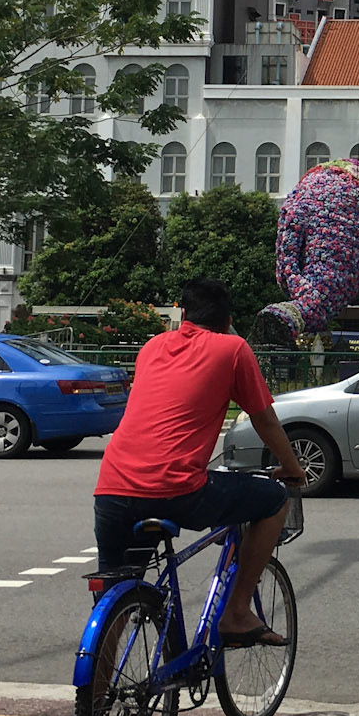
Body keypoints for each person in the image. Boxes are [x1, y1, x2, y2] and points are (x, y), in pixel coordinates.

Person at [93, 277, 307, 648]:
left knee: (114, 602)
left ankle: (98, 683)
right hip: (177, 490)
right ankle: (237, 612)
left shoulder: (152, 347)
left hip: (112, 490)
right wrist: (292, 468)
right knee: (274, 500)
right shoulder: (232, 349)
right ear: (228, 321)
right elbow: (264, 420)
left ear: (182, 315)